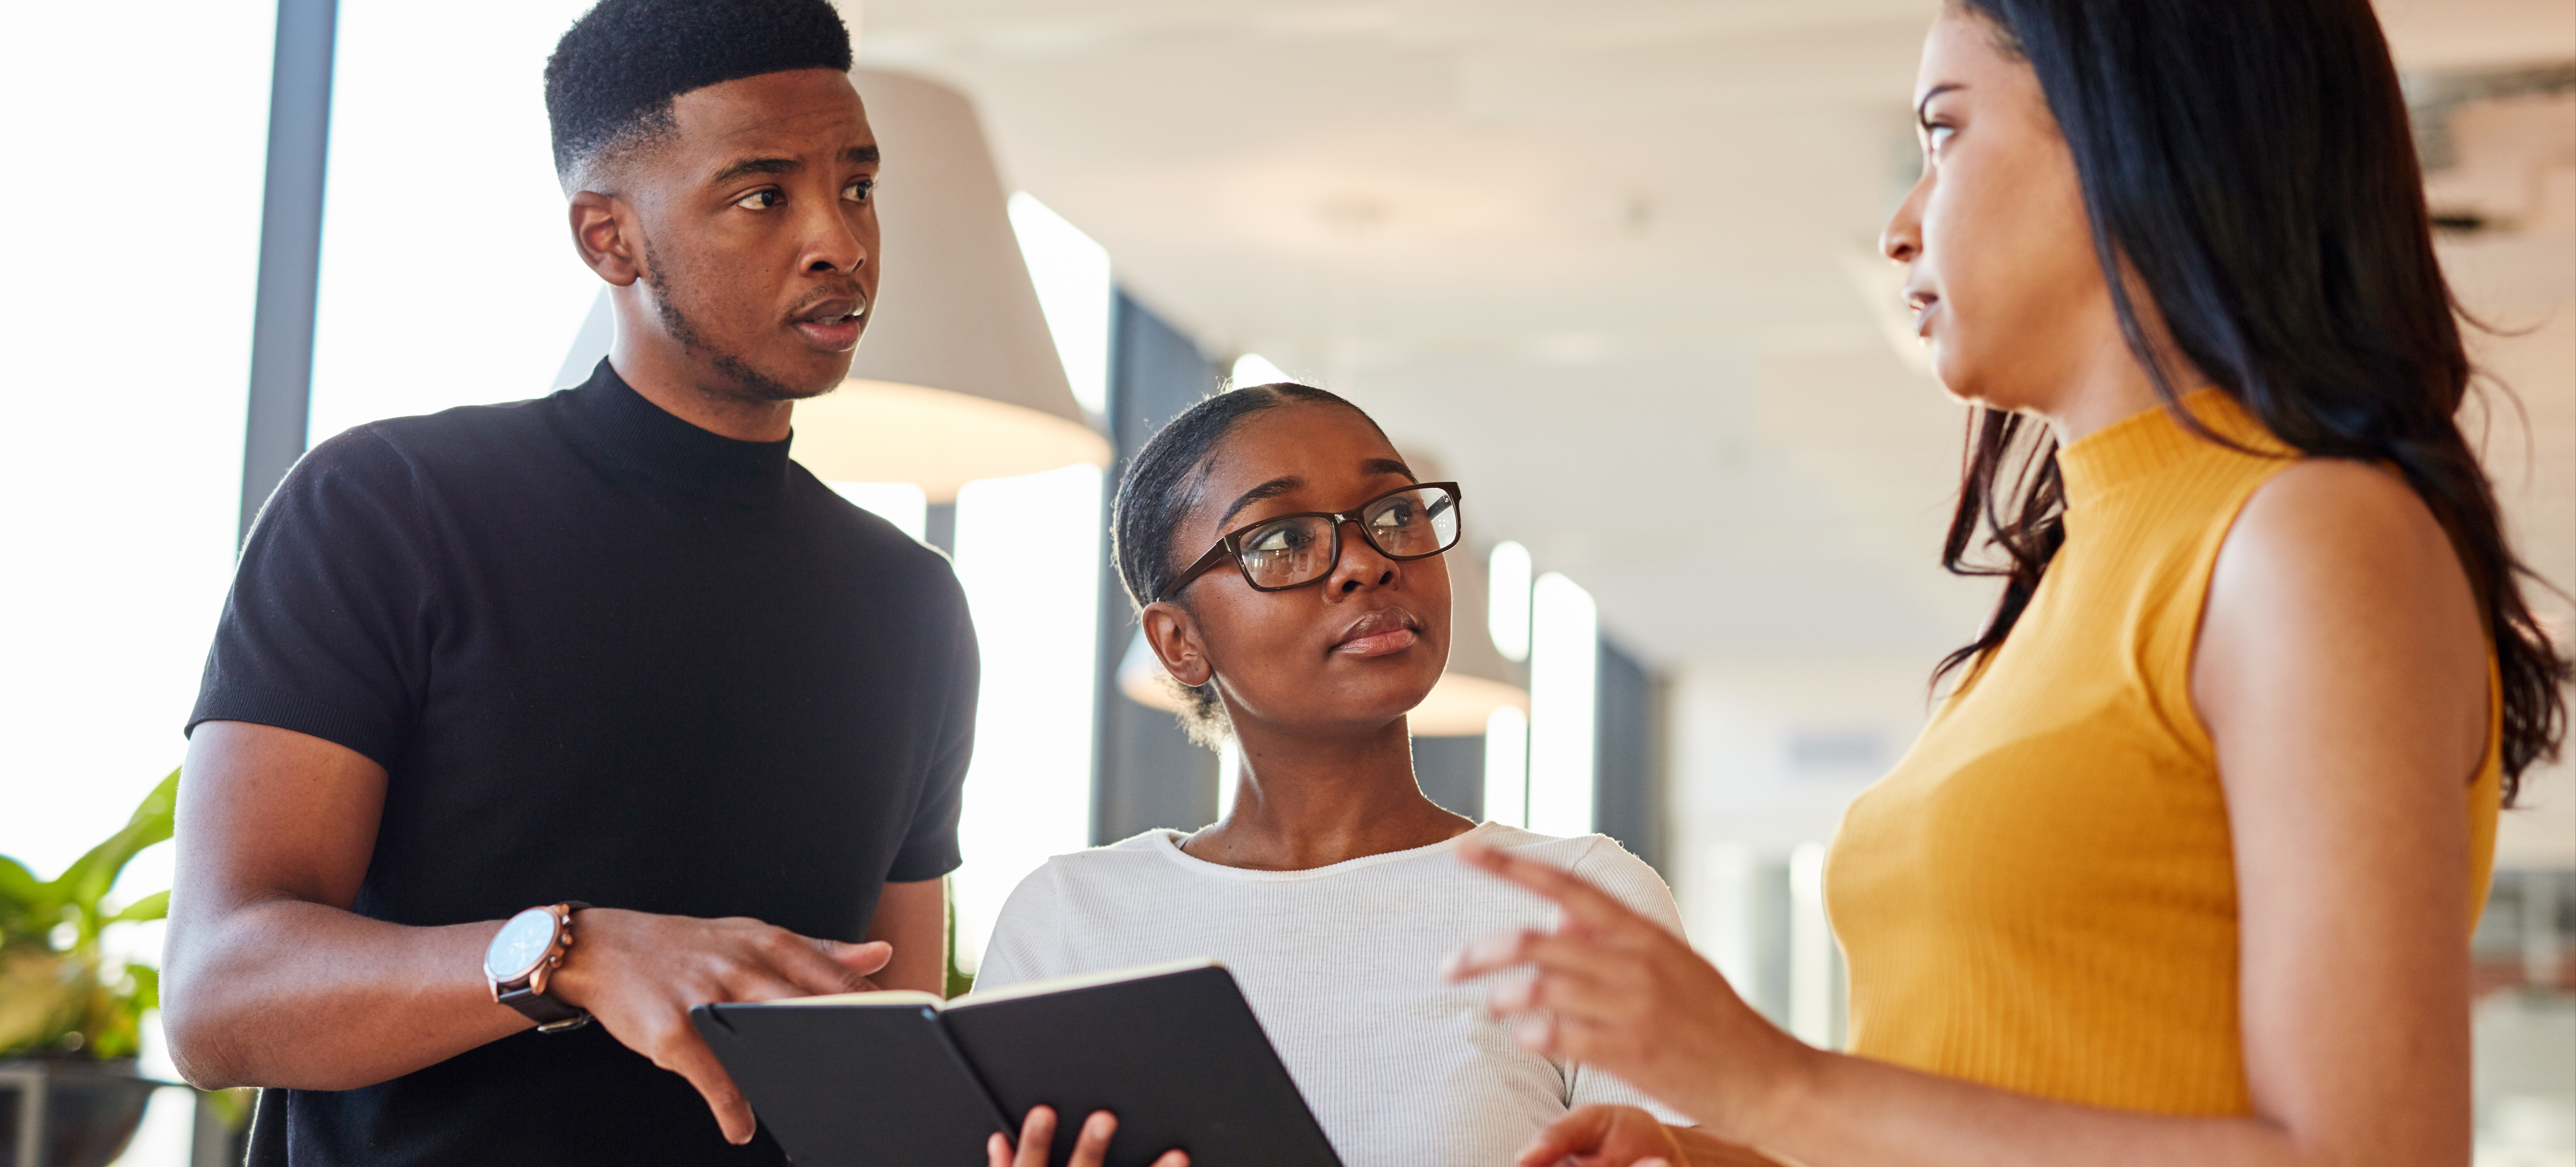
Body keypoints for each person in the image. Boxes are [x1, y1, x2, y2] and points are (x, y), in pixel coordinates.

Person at [1439, 1, 2570, 1165]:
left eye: (1942, 134)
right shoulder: (2062, 581)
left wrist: (1772, 1085)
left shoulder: (2311, 534)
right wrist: (1709, 1155)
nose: (1899, 226)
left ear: (2133, 135)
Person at [159, 2, 978, 1163]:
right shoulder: (387, 503)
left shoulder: (913, 605)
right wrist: (571, 951)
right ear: (610, 239)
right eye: (762, 195)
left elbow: (886, 1045)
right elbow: (218, 996)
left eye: (856, 186)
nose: (838, 241)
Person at [974, 384, 1712, 1167]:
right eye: (1283, 538)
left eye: (1397, 514)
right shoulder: (1067, 922)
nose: (1368, 562)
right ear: (1179, 640)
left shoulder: (1578, 901)